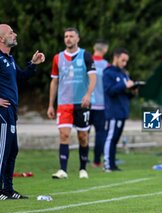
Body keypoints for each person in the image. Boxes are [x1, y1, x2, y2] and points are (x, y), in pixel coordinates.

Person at [0, 24, 45, 200]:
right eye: (11, 32)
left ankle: (8, 190)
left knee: (12, 150)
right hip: (2, 113)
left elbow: (22, 76)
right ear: (2, 38)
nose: (15, 34)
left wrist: (33, 64)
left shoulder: (9, 60)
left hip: (11, 111)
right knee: (2, 151)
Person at [47, 27, 96, 179]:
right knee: (64, 135)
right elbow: (54, 81)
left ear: (77, 39)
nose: (68, 39)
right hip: (64, 103)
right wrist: (50, 104)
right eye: (66, 36)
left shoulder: (86, 55)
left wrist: (88, 95)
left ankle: (83, 169)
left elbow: (93, 78)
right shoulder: (58, 58)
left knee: (82, 136)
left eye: (71, 36)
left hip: (81, 103)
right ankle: (63, 170)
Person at [103, 48, 135, 172]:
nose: (124, 63)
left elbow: (124, 94)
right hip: (113, 112)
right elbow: (109, 91)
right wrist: (124, 85)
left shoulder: (124, 73)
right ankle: (107, 164)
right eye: (123, 60)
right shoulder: (108, 73)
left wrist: (133, 91)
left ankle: (113, 164)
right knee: (110, 138)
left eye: (126, 61)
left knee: (116, 139)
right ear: (116, 58)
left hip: (122, 111)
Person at [90, 39, 109, 167]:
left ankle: (83, 158)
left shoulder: (87, 62)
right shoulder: (107, 65)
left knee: (83, 132)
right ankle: (97, 161)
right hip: (102, 105)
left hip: (87, 103)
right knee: (100, 134)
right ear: (105, 50)